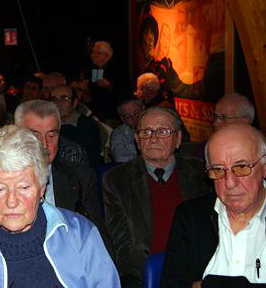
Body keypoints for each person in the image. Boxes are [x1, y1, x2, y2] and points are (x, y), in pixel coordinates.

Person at [0, 125, 121, 287]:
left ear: (42, 188)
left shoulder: (80, 235)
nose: (11, 201)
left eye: (24, 187)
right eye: (0, 189)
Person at [103, 107, 210, 288]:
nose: (153, 138)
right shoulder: (117, 179)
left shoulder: (201, 173)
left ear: (178, 139)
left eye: (163, 131)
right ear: (137, 140)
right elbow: (120, 243)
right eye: (146, 132)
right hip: (142, 276)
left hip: (195, 275)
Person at [162, 124, 266, 287]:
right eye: (218, 170)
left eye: (241, 167)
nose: (230, 183)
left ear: (264, 167)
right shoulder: (190, 216)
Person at [14, 100, 104, 236]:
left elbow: (97, 236)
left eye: (52, 135)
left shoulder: (81, 178)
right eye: (35, 136)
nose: (44, 145)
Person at [50, 85, 102, 168]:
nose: (58, 103)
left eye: (64, 98)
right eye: (54, 99)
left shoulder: (87, 125)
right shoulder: (47, 125)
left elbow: (87, 159)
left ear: (74, 103)